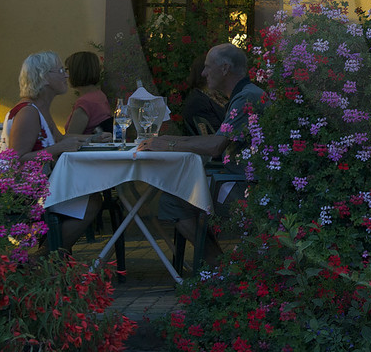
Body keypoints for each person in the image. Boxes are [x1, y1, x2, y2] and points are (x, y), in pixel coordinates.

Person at [141, 43, 265, 261]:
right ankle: (222, 267)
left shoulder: (246, 98)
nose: (203, 73)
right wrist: (170, 140)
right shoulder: (246, 93)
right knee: (180, 190)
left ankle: (220, 268)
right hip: (244, 180)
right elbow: (216, 139)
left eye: (208, 67)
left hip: (248, 188)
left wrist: (169, 145)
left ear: (225, 68)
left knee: (172, 198)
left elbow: (215, 146)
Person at [2, 51, 97, 246]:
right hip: (24, 190)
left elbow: (59, 138)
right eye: (61, 70)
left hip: (38, 184)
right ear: (44, 77)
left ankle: (46, 255)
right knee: (92, 203)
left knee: (92, 197)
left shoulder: (39, 107)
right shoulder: (28, 112)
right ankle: (42, 257)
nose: (66, 75)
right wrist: (60, 148)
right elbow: (17, 159)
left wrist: (93, 139)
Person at [63, 50, 113, 137]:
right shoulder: (100, 96)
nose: (66, 75)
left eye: (67, 70)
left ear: (76, 72)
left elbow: (70, 139)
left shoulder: (85, 103)